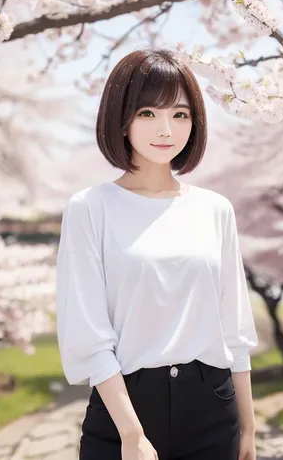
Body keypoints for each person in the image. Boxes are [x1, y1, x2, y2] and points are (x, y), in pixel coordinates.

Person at [55, 47, 258, 460]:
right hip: (123, 408)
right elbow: (88, 334)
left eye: (180, 114)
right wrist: (131, 433)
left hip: (212, 409)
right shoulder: (90, 208)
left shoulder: (215, 209)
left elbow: (234, 331)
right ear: (121, 117)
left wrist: (249, 428)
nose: (166, 128)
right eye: (148, 113)